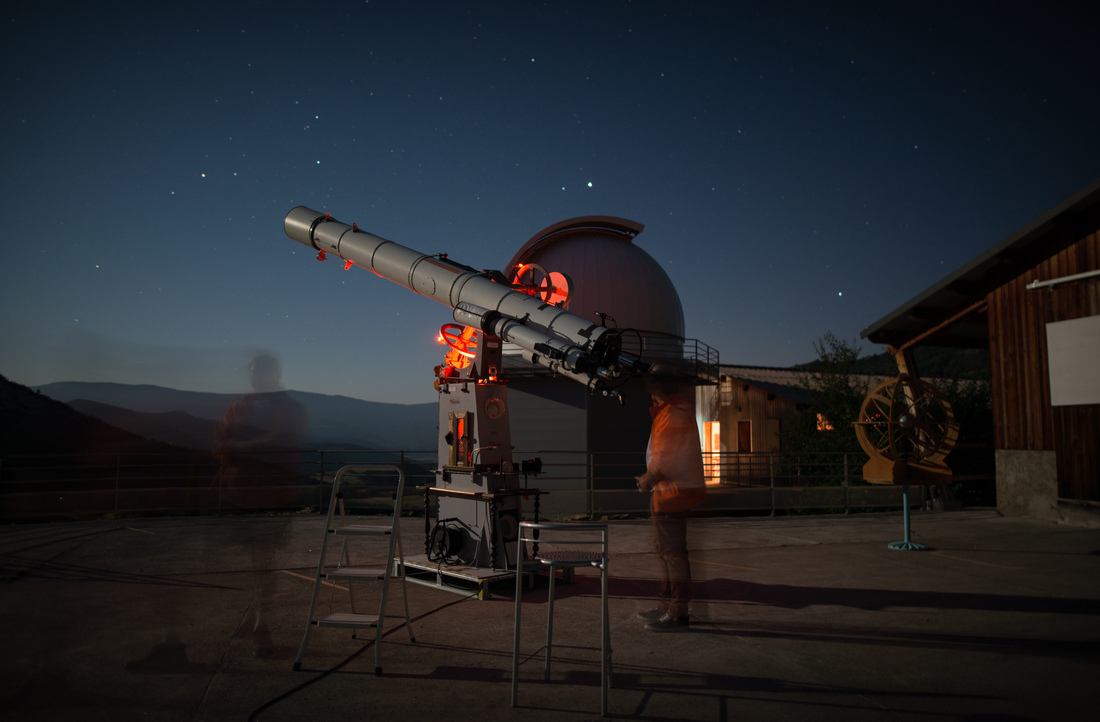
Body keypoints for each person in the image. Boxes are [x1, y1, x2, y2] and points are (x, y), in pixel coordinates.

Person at [635, 371, 706, 631]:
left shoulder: (672, 414)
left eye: (653, 391)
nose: (651, 397)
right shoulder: (674, 411)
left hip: (671, 495)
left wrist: (647, 479)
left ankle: (677, 613)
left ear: (661, 390)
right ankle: (667, 607)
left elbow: (665, 458)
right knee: (666, 553)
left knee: (673, 555)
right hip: (669, 494)